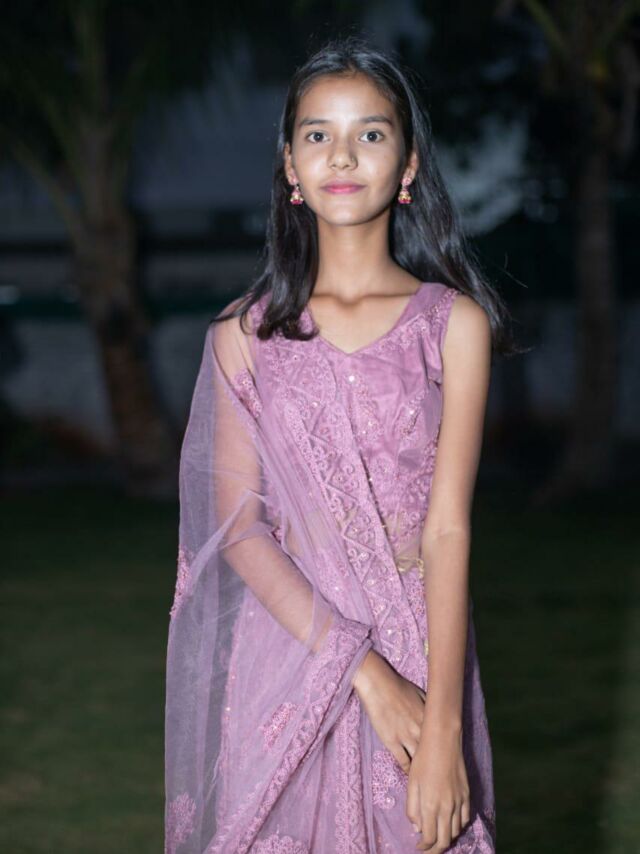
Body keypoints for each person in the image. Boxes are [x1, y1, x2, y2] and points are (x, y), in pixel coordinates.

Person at [165, 34, 518, 854]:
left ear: (409, 163)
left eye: (372, 132)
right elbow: (241, 531)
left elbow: (447, 530)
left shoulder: (451, 325)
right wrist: (364, 674)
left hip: (420, 647)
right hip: (292, 656)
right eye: (318, 133)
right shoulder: (245, 337)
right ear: (289, 165)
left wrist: (440, 725)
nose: (343, 154)